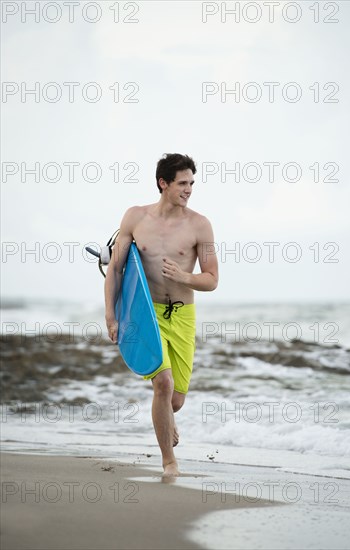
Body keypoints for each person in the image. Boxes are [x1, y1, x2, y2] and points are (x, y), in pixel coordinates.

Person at [104, 153, 218, 477]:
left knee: (176, 400)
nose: (189, 189)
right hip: (146, 313)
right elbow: (115, 269)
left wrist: (184, 277)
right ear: (163, 183)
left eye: (192, 183)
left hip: (182, 315)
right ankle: (169, 462)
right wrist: (111, 316)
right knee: (163, 385)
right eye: (183, 183)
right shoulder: (135, 219)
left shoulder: (200, 225)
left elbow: (212, 279)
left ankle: (168, 417)